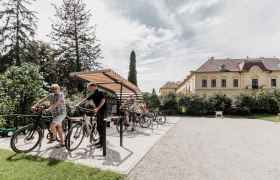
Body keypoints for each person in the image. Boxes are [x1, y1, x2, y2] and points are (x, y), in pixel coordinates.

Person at [31, 84, 67, 148]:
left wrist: (49, 109)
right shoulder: (50, 95)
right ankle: (62, 142)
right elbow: (42, 101)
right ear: (51, 90)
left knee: (52, 124)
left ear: (59, 89)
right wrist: (35, 106)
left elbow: (57, 103)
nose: (54, 90)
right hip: (55, 114)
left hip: (61, 113)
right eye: (52, 89)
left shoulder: (60, 94)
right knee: (58, 127)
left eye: (56, 89)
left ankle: (54, 137)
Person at [75, 82, 107, 148]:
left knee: (100, 126)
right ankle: (100, 140)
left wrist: (97, 108)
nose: (89, 89)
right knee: (98, 126)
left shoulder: (100, 92)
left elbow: (103, 101)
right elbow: (86, 100)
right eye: (89, 88)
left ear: (94, 86)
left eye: (90, 87)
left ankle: (103, 143)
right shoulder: (93, 94)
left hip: (103, 110)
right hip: (98, 110)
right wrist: (78, 104)